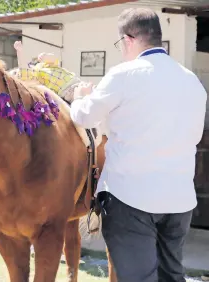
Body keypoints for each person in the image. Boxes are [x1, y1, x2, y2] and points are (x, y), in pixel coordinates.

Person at [70, 8, 207, 282]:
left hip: (131, 197)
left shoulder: (124, 74)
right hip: (179, 199)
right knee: (172, 276)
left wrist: (80, 96)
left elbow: (84, 117)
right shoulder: (192, 81)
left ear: (128, 39)